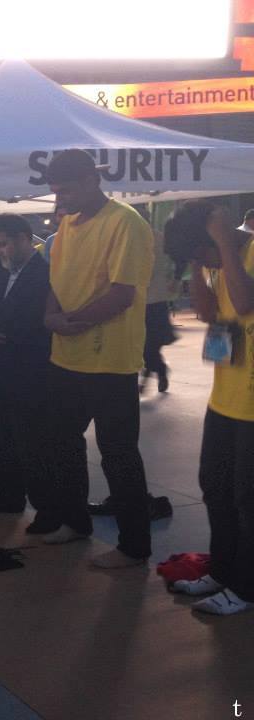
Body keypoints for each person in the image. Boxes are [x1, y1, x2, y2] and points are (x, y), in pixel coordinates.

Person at [41, 149, 155, 569]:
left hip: (110, 361)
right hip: (66, 358)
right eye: (55, 192)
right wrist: (51, 314)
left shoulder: (126, 223)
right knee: (61, 443)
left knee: (118, 453)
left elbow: (122, 294)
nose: (60, 199)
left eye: (66, 190)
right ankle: (75, 523)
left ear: (92, 180)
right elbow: (54, 279)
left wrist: (72, 321)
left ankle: (134, 546)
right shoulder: (67, 223)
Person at [163, 200, 254, 615]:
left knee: (248, 499)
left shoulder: (241, 255)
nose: (202, 262)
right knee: (215, 488)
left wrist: (220, 240)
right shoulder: (217, 262)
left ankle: (248, 588)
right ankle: (223, 570)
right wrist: (199, 263)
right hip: (225, 398)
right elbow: (208, 313)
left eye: (203, 253)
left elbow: (245, 302)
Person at [0, 214, 53, 519]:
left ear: (23, 239)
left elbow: (38, 323)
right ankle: (9, 495)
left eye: (3, 244)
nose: (0, 252)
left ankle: (46, 509)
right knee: (0, 437)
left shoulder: (44, 275)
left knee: (32, 444)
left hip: (30, 371)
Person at [140, 207, 180, 394]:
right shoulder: (159, 237)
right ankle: (155, 371)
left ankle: (155, 372)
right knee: (146, 345)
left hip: (152, 300)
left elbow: (178, 257)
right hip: (147, 300)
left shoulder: (156, 238)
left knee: (148, 345)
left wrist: (175, 279)